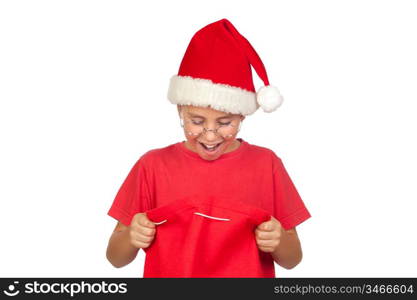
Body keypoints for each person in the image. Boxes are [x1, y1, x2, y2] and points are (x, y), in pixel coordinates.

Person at [106, 18, 311, 277]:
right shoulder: (153, 166)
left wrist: (279, 241)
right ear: (180, 109)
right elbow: (115, 258)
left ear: (242, 115)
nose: (210, 134)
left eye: (225, 122)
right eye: (197, 121)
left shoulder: (266, 164)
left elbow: (293, 259)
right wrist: (132, 236)